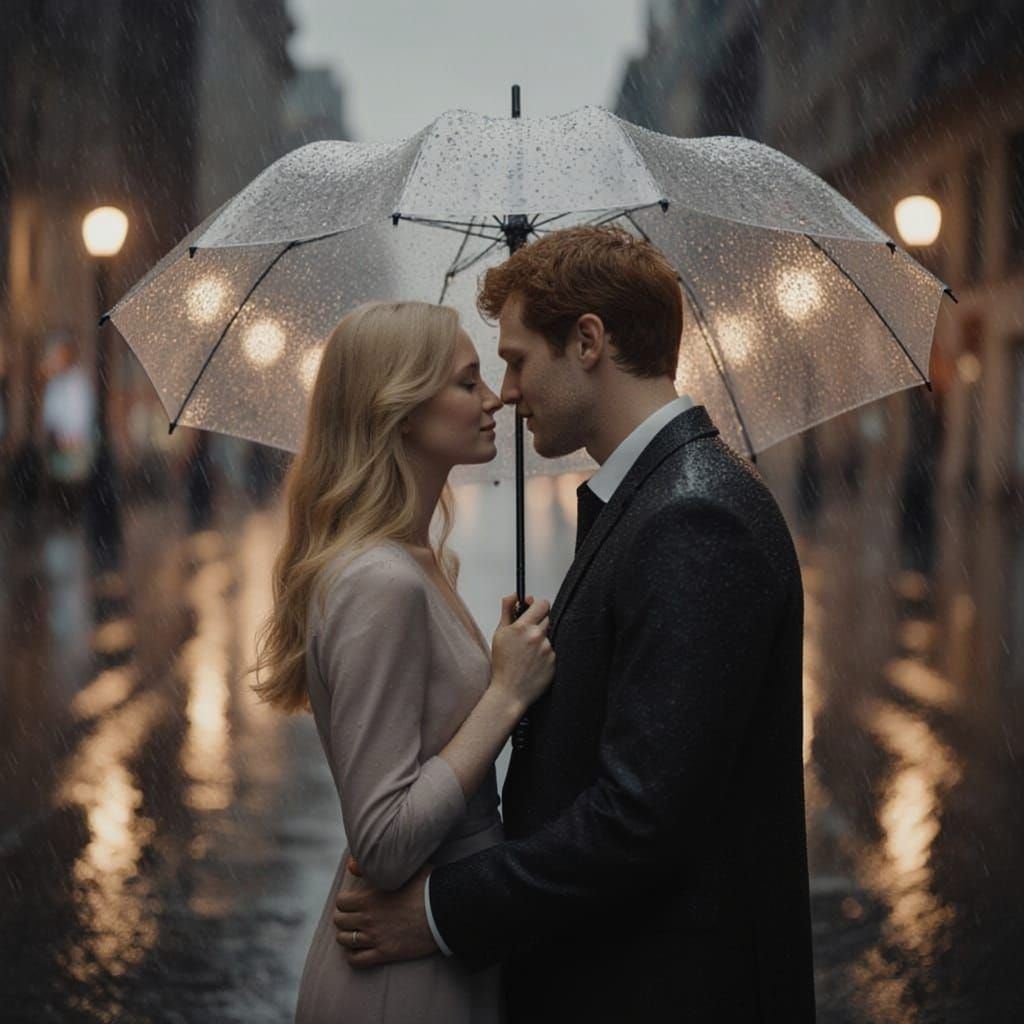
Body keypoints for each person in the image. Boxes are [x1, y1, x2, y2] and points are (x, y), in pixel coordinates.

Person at [333, 227, 816, 1022]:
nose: (508, 390)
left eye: (519, 359)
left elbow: (639, 820)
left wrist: (437, 910)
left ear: (587, 341)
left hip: (664, 990)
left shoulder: (692, 515)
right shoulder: (656, 498)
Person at [249, 300, 556, 1023]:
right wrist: (504, 696)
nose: (494, 400)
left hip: (439, 948)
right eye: (467, 382)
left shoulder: (419, 562)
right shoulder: (379, 581)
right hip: (403, 975)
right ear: (401, 410)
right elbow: (383, 842)